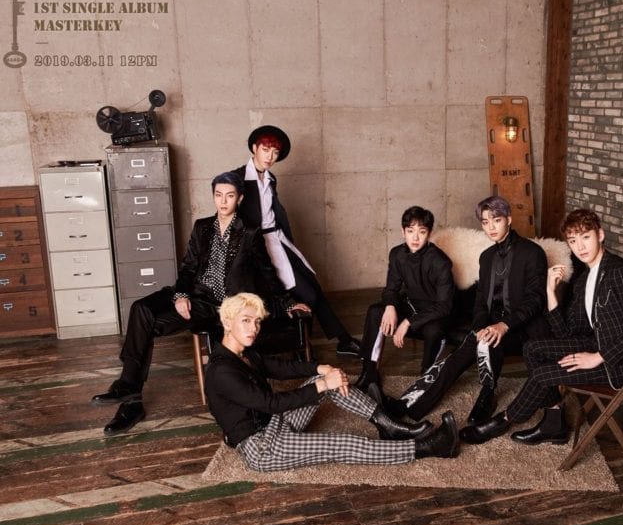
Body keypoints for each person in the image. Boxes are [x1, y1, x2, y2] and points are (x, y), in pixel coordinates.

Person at [91, 171, 307, 436]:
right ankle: (129, 389)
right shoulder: (202, 227)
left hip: (225, 307)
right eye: (218, 195)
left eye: (229, 196)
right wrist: (181, 295)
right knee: (141, 311)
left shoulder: (250, 232)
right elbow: (188, 268)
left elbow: (267, 271)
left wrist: (288, 302)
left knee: (145, 327)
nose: (223, 201)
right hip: (198, 299)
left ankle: (131, 397)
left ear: (239, 198)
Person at [458, 208, 623, 445]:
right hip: (596, 343)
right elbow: (568, 333)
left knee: (542, 374)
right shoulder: (584, 278)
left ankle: (504, 420)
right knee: (532, 348)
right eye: (573, 241)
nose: (580, 247)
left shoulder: (620, 272)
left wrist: (598, 357)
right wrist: (550, 292)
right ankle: (554, 421)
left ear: (600, 235)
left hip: (621, 363)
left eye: (586, 237)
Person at [204, 292, 459, 471]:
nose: (254, 328)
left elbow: (281, 368)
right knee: (342, 444)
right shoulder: (221, 371)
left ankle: (388, 425)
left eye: (257, 321)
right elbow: (271, 403)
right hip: (262, 447)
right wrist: (322, 385)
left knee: (324, 378)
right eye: (246, 321)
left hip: (272, 425)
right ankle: (429, 448)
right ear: (227, 322)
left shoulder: (244, 353)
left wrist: (320, 369)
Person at [376, 196, 549, 425]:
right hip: (491, 325)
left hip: (522, 328)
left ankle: (487, 395)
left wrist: (503, 325)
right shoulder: (486, 257)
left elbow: (536, 300)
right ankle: (408, 403)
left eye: (496, 220)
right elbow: (480, 300)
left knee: (487, 345)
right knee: (453, 360)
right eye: (485, 222)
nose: (491, 227)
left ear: (508, 219)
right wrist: (479, 326)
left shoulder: (532, 252)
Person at [233, 125, 360, 356]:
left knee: (311, 286)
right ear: (254, 148)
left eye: (275, 152)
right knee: (305, 293)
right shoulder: (238, 178)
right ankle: (307, 345)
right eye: (265, 150)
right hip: (256, 247)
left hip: (278, 241)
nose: (270, 157)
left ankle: (338, 341)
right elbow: (230, 217)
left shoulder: (270, 178)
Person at [354, 206, 455, 391]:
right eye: (410, 231)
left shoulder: (440, 262)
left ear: (429, 233)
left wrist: (408, 322)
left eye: (421, 232)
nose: (415, 238)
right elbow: (391, 289)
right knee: (376, 311)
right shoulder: (397, 254)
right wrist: (390, 306)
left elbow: (444, 306)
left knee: (433, 331)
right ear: (403, 232)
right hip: (412, 305)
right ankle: (369, 373)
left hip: (435, 314)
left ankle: (425, 380)